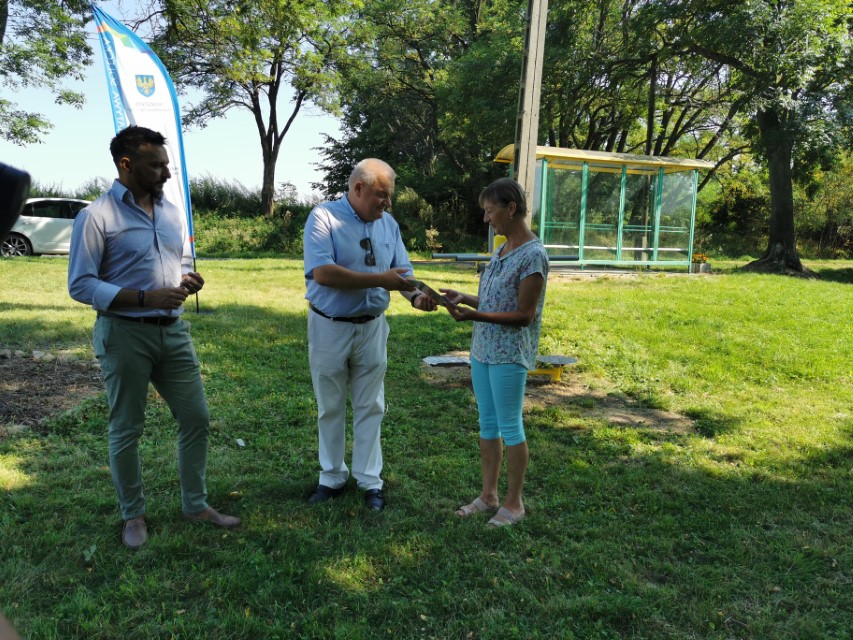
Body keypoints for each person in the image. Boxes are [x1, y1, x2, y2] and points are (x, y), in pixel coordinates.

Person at [68, 125, 239, 550]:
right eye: (156, 165)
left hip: (173, 331)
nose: (166, 173)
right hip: (123, 334)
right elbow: (81, 284)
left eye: (167, 164)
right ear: (126, 165)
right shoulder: (96, 217)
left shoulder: (171, 212)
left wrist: (187, 280)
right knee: (127, 427)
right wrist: (145, 297)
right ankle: (133, 515)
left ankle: (195, 505)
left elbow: (178, 262)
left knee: (196, 417)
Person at [303, 158, 437, 511]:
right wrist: (382, 280)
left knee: (371, 405)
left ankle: (369, 480)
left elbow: (402, 273)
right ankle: (331, 477)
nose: (387, 203)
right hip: (329, 325)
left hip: (372, 327)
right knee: (330, 406)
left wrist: (416, 296)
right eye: (382, 195)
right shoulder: (323, 218)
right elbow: (323, 273)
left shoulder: (388, 224)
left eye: (389, 196)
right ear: (358, 188)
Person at [440, 177, 548, 527]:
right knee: (487, 423)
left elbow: (523, 315)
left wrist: (475, 315)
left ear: (511, 208)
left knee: (510, 427)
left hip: (508, 354)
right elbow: (493, 301)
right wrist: (466, 298)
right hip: (483, 350)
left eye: (490, 211)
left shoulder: (533, 255)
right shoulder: (502, 250)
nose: (486, 219)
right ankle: (488, 496)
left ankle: (514, 504)